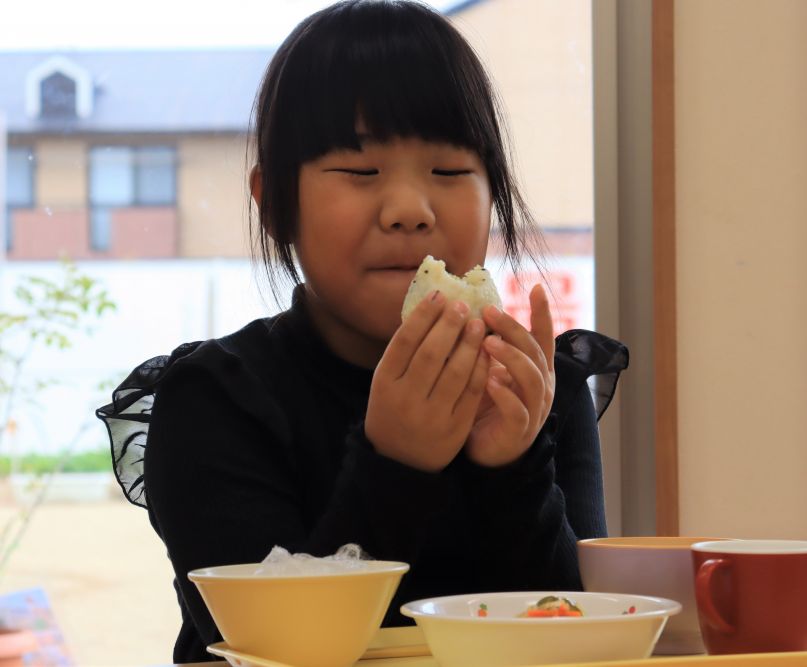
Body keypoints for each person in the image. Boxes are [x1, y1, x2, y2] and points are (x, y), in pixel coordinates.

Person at [96, 0, 628, 663]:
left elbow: (576, 641)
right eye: (359, 172)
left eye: (450, 171)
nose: (410, 209)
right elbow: (272, 649)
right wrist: (396, 462)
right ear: (274, 206)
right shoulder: (215, 400)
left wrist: (512, 467)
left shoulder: (537, 389)